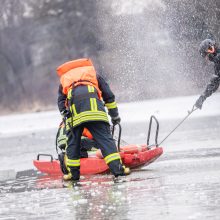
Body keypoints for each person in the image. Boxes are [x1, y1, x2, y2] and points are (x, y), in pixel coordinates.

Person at [57, 58, 130, 181]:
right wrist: (115, 116)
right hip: (96, 113)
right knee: (106, 141)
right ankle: (118, 170)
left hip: (74, 116)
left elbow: (61, 101)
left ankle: (73, 175)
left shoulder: (65, 79)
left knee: (73, 144)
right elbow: (109, 96)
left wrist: (65, 113)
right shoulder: (93, 75)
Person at [195, 39, 220, 109]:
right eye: (208, 52)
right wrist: (203, 97)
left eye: (211, 49)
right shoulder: (217, 65)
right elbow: (214, 82)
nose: (211, 53)